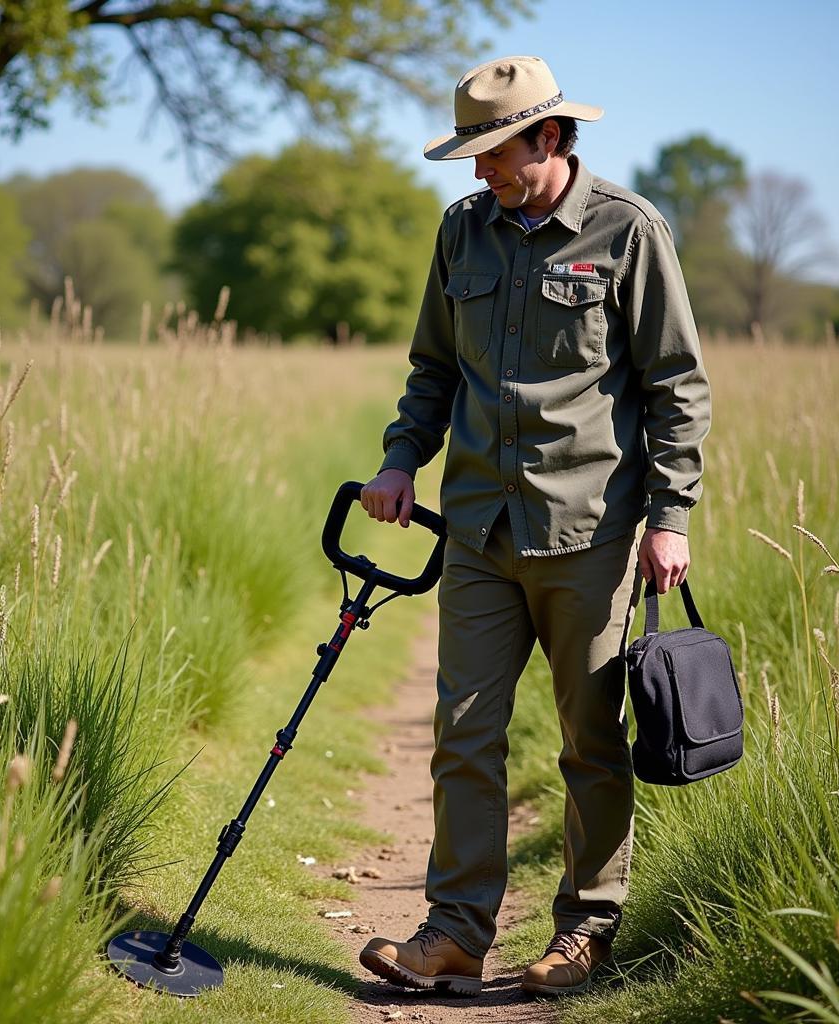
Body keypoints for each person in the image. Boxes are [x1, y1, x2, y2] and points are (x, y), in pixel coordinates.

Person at [357, 55, 712, 998]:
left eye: (492, 151)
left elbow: (677, 387)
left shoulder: (627, 232)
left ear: (549, 138)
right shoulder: (461, 232)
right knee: (462, 734)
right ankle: (455, 933)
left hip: (591, 534)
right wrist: (401, 460)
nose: (477, 171)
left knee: (589, 740)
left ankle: (587, 931)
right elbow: (433, 369)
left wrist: (669, 517)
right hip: (477, 529)